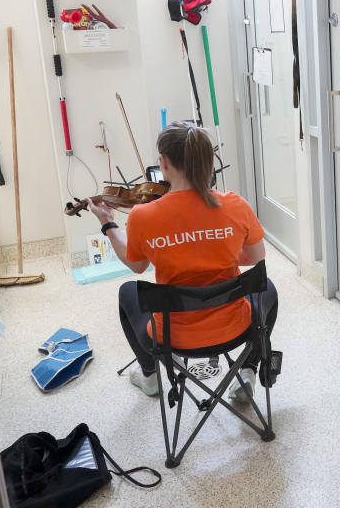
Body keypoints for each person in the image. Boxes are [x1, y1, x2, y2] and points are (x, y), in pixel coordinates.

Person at [86, 121, 278, 402]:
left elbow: (136, 265)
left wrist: (108, 224)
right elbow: (255, 257)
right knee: (268, 287)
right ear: (209, 162)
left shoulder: (143, 215)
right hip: (235, 327)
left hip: (171, 336)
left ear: (163, 162)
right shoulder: (236, 204)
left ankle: (150, 376)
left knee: (127, 291)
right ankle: (247, 371)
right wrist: (213, 250)